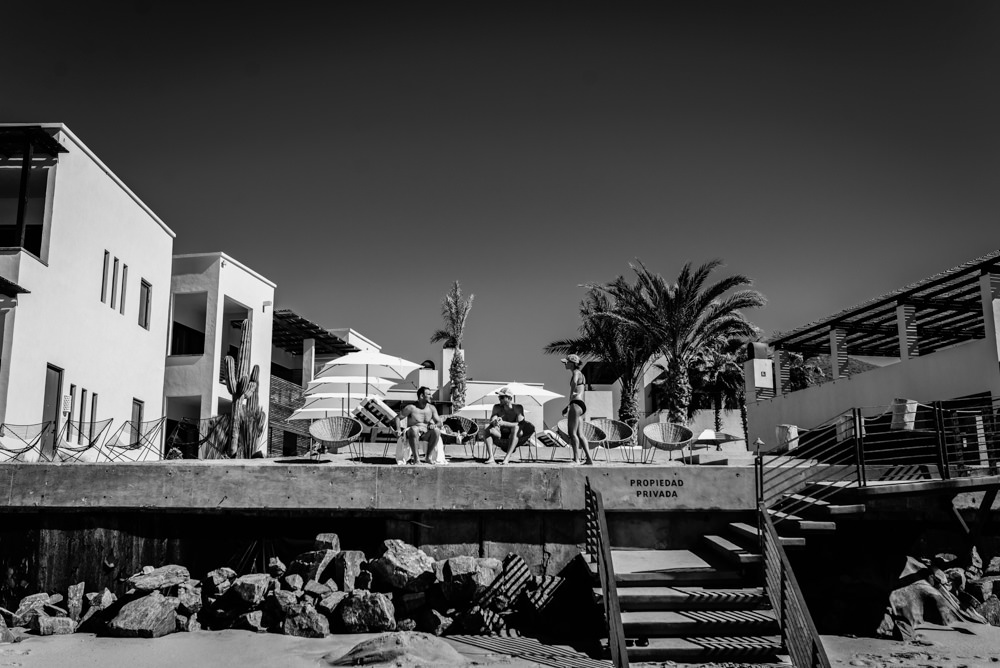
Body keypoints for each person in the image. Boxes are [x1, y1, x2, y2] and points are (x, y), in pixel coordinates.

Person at [483, 387, 536, 465]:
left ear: (509, 398)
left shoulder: (517, 408)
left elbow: (521, 424)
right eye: (499, 397)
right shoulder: (497, 407)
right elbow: (492, 418)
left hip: (514, 435)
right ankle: (491, 457)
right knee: (487, 428)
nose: (499, 399)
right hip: (501, 434)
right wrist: (495, 421)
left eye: (501, 397)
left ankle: (506, 458)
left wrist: (504, 423)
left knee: (516, 428)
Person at [561, 354, 594, 465]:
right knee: (580, 434)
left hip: (575, 403)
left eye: (567, 362)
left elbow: (574, 382)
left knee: (572, 433)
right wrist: (568, 406)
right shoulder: (582, 374)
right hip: (581, 404)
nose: (565, 364)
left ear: (573, 363)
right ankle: (589, 459)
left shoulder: (576, 373)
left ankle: (576, 459)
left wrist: (570, 398)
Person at [397, 386, 443, 465]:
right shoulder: (411, 408)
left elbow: (440, 423)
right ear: (421, 396)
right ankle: (416, 459)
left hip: (426, 433)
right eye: (428, 394)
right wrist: (398, 429)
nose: (431, 396)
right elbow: (398, 418)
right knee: (415, 429)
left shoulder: (432, 408)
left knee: (436, 431)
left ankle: (428, 457)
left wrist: (435, 425)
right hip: (412, 433)